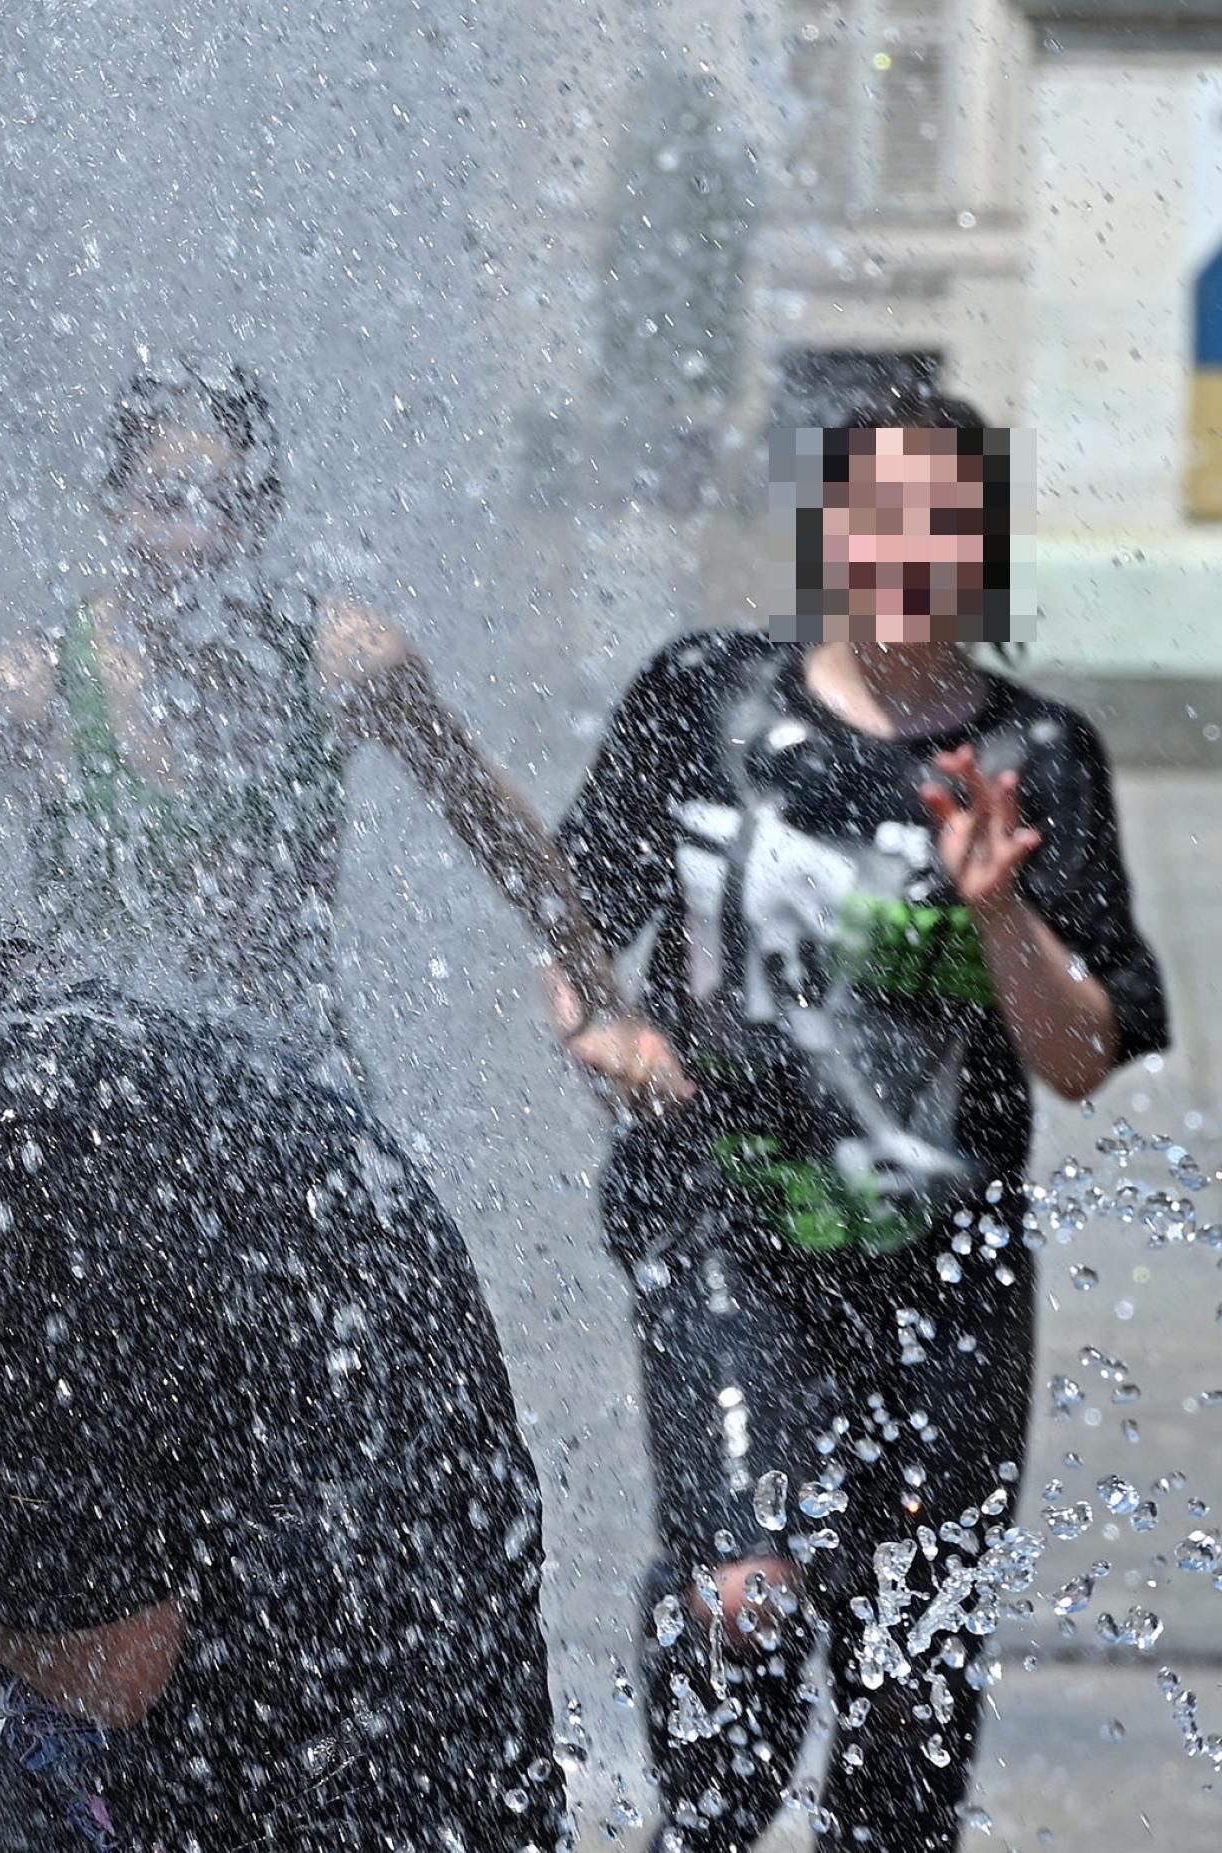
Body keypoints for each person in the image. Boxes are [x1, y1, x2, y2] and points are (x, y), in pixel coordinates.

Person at [555, 395, 1170, 1853]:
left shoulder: (1037, 756)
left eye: (948, 520)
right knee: (747, 1603)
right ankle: (698, 1825)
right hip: (725, 1228)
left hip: (943, 1267)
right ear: (832, 526)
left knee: (904, 1672)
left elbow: (1081, 1058)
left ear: (984, 546)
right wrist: (604, 1033)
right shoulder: (706, 699)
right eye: (883, 513)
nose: (913, 546)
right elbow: (574, 915)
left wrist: (998, 905)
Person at [0, 795, 568, 1853]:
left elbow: (117, 1661)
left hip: (299, 1763)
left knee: (60, 1753)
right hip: (446, 1725)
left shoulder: (17, 1149)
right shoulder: (106, 1054)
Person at [0, 359, 671, 1097]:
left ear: (268, 506)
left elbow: (498, 830)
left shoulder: (342, 665)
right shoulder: (37, 689)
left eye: (226, 504)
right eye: (166, 504)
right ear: (114, 505)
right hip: (96, 1102)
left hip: (295, 1093)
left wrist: (603, 1005)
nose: (197, 537)